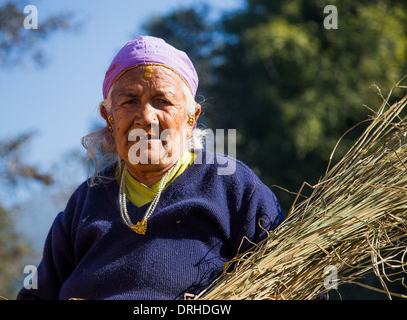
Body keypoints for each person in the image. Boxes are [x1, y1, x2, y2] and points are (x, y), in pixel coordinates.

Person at [17, 36, 285, 300]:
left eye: (163, 101)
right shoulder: (85, 202)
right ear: (109, 118)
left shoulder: (231, 184)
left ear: (191, 119)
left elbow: (289, 282)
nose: (146, 117)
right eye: (129, 101)